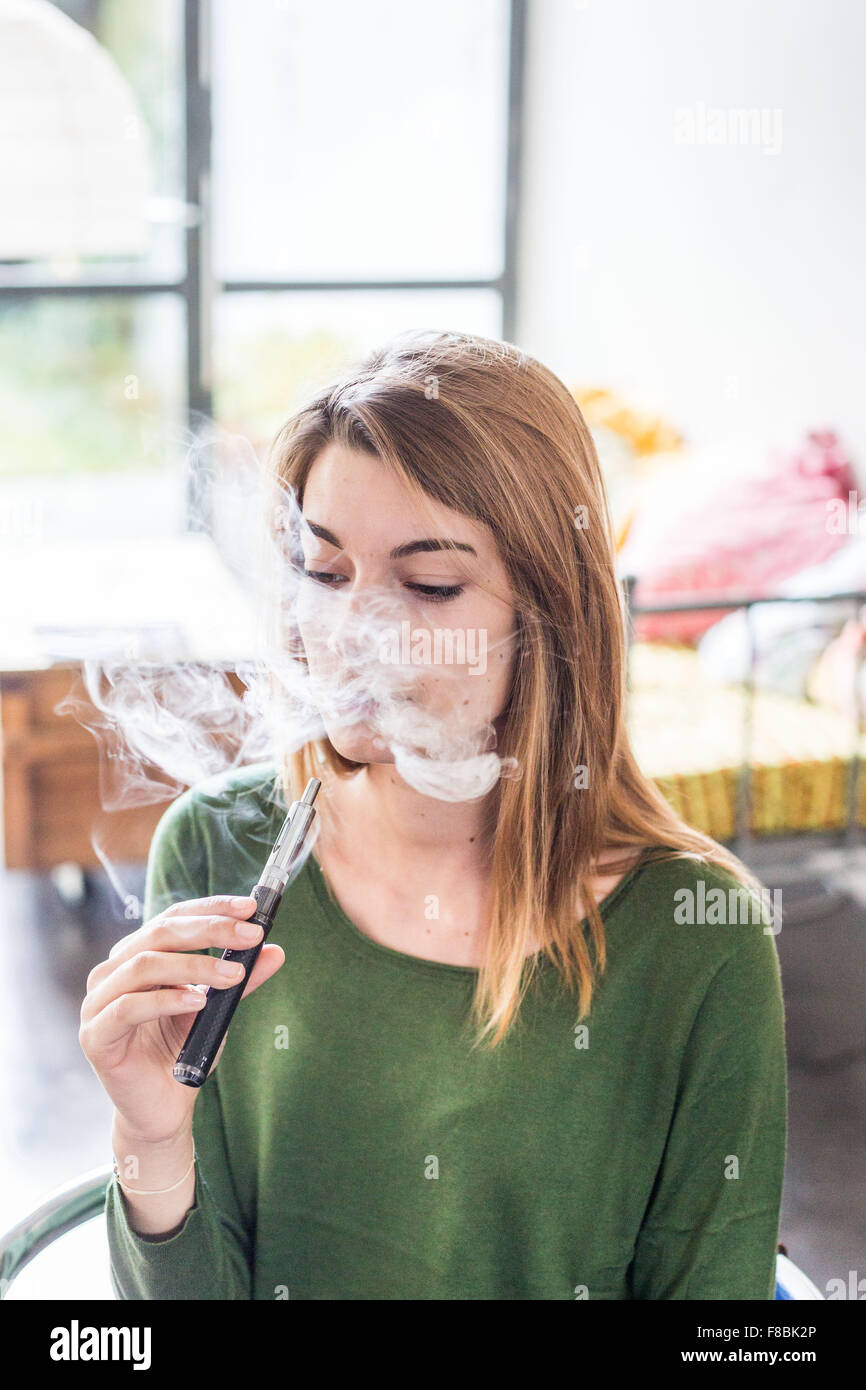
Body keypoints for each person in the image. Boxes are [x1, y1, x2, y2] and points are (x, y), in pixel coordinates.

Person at [80, 329, 787, 1300]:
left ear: (546, 613)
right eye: (322, 572)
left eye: (427, 584)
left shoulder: (697, 938)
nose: (344, 629)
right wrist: (148, 1140)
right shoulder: (219, 846)